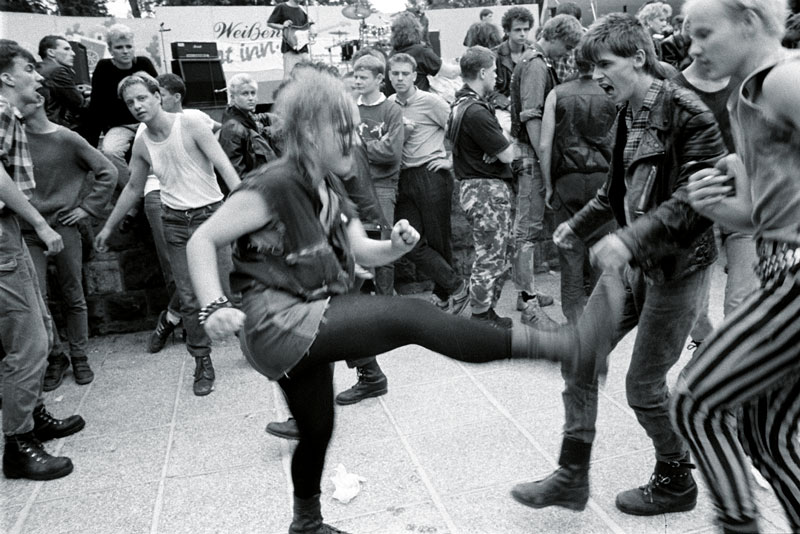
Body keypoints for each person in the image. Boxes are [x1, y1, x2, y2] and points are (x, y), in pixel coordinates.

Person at [184, 67, 577, 534]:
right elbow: (202, 241)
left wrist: (397, 246)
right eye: (345, 129)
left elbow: (361, 248)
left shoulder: (327, 186)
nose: (356, 138)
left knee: (317, 428)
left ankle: (305, 524)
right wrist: (212, 306)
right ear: (310, 131)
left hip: (303, 317)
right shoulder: (272, 185)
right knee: (412, 315)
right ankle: (556, 347)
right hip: (277, 320)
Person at [510, 13, 726, 516]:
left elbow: (693, 201)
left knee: (644, 388)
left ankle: (676, 479)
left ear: (638, 58)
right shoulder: (629, 110)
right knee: (580, 356)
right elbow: (614, 190)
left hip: (676, 270)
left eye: (605, 64)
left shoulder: (688, 113)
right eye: (591, 66)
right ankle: (571, 475)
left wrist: (629, 240)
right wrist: (578, 226)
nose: (598, 74)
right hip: (631, 265)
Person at [673, 0, 800, 531]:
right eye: (688, 36)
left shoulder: (780, 81)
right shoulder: (743, 100)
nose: (693, 47)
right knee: (768, 439)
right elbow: (754, 217)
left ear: (749, 20)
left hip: (795, 276)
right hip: (777, 266)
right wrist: (708, 203)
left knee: (694, 401)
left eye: (704, 33)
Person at [95, 73, 241, 397]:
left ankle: (255, 341)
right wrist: (107, 226)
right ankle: (202, 361)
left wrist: (246, 210)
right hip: (175, 222)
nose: (136, 106)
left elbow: (226, 168)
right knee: (188, 297)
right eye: (130, 102)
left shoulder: (190, 125)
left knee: (226, 286)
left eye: (142, 98)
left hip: (211, 217)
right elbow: (134, 186)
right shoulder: (142, 142)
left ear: (157, 96)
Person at [1, 42, 85, 482]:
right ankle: (17, 444)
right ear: (6, 77)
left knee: (40, 325)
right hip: (3, 235)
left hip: (9, 233)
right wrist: (41, 222)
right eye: (29, 69)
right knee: (28, 340)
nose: (39, 76)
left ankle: (33, 419)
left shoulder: (10, 115)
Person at [21, 92, 117, 391]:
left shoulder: (67, 138)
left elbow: (108, 171)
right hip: (26, 229)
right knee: (36, 299)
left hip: (63, 225)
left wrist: (86, 208)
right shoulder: (14, 140)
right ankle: (55, 356)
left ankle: (79, 354)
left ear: (37, 100)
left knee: (73, 292)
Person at [671, 40, 759, 352]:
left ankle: (732, 365)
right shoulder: (673, 90)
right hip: (696, 206)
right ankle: (707, 350)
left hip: (744, 202)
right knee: (694, 306)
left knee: (741, 300)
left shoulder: (747, 85)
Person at [330, 53, 405, 407]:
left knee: (340, 314)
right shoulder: (336, 144)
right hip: (352, 230)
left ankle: (370, 376)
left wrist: (353, 250)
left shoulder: (344, 146)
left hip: (358, 230)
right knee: (339, 313)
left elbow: (352, 196)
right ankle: (370, 375)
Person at [509, 14, 583, 328]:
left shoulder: (534, 60)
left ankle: (526, 294)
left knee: (527, 225)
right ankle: (527, 300)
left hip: (527, 152)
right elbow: (532, 116)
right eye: (566, 46)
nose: (566, 53)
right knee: (526, 228)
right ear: (553, 38)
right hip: (531, 155)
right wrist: (545, 160)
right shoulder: (537, 64)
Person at [538, 47, 617, 324]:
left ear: (574, 62)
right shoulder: (613, 93)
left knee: (570, 251)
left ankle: (575, 321)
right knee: (601, 250)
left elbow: (545, 144)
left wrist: (548, 186)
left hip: (567, 179)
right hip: (604, 180)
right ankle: (597, 320)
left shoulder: (557, 93)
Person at [144, 73, 221, 354]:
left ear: (174, 97)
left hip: (203, 199)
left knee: (216, 271)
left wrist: (203, 158)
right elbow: (133, 179)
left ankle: (171, 317)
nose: (153, 98)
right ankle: (194, 342)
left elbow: (221, 133)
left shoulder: (195, 118)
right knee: (177, 272)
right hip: (160, 195)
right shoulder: (146, 129)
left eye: (158, 93)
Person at [387, 53, 469, 314]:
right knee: (405, 239)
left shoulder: (430, 101)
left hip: (431, 174)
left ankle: (445, 293)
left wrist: (451, 160)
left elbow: (462, 126)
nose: (400, 78)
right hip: (405, 177)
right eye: (395, 73)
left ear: (414, 76)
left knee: (439, 239)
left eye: (404, 73)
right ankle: (455, 286)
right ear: (389, 76)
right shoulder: (389, 104)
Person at [448, 46, 515, 328]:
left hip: (475, 187)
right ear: (483, 72)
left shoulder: (460, 105)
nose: (497, 76)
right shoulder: (476, 111)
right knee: (491, 256)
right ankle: (480, 318)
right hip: (486, 190)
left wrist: (497, 143)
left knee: (494, 253)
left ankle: (485, 312)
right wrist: (503, 139)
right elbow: (508, 154)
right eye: (495, 71)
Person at [86, 24, 158, 187]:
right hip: (120, 125)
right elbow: (96, 106)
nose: (125, 51)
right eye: (119, 47)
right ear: (111, 50)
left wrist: (149, 80)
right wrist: (90, 142)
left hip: (146, 121)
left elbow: (160, 93)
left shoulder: (144, 64)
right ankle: (133, 192)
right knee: (110, 151)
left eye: (128, 46)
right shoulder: (104, 68)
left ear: (134, 47)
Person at [218, 73, 277, 191]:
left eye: (253, 93)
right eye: (245, 93)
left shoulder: (248, 118)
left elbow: (262, 118)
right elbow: (235, 174)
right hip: (252, 193)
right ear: (233, 98)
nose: (250, 98)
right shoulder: (232, 129)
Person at [387, 12, 458, 94]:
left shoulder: (392, 54)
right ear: (416, 30)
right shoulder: (420, 52)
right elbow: (452, 73)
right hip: (419, 104)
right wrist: (463, 63)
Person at [36, 35, 89, 131]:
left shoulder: (39, 68)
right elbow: (79, 104)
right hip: (56, 127)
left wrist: (77, 91)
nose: (73, 54)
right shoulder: (58, 71)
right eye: (66, 49)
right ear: (51, 52)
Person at [492, 7, 534, 122]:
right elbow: (489, 90)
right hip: (503, 109)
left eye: (526, 29)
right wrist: (509, 106)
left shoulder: (534, 53)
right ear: (507, 30)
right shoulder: (495, 56)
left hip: (530, 106)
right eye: (517, 30)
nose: (522, 34)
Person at [267, 0, 312, 79]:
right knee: (289, 77)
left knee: (308, 76)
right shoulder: (282, 7)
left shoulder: (302, 9)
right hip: (289, 48)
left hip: (304, 49)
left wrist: (312, 29)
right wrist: (282, 26)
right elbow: (270, 23)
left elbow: (309, 25)